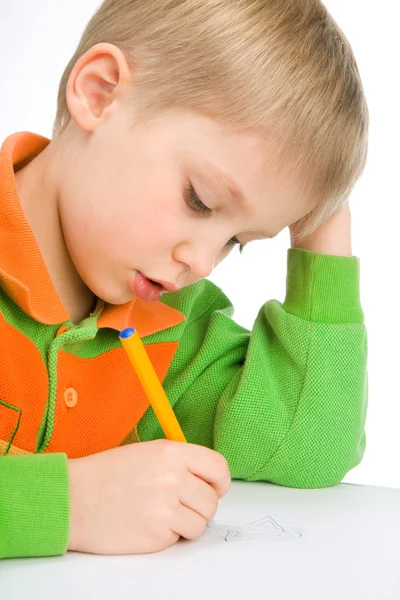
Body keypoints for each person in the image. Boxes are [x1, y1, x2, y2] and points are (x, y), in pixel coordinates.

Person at [0, 0, 369, 559]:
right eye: (200, 200)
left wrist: (324, 218)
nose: (202, 263)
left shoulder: (167, 324)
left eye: (235, 243)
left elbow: (307, 446)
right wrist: (69, 505)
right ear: (98, 93)